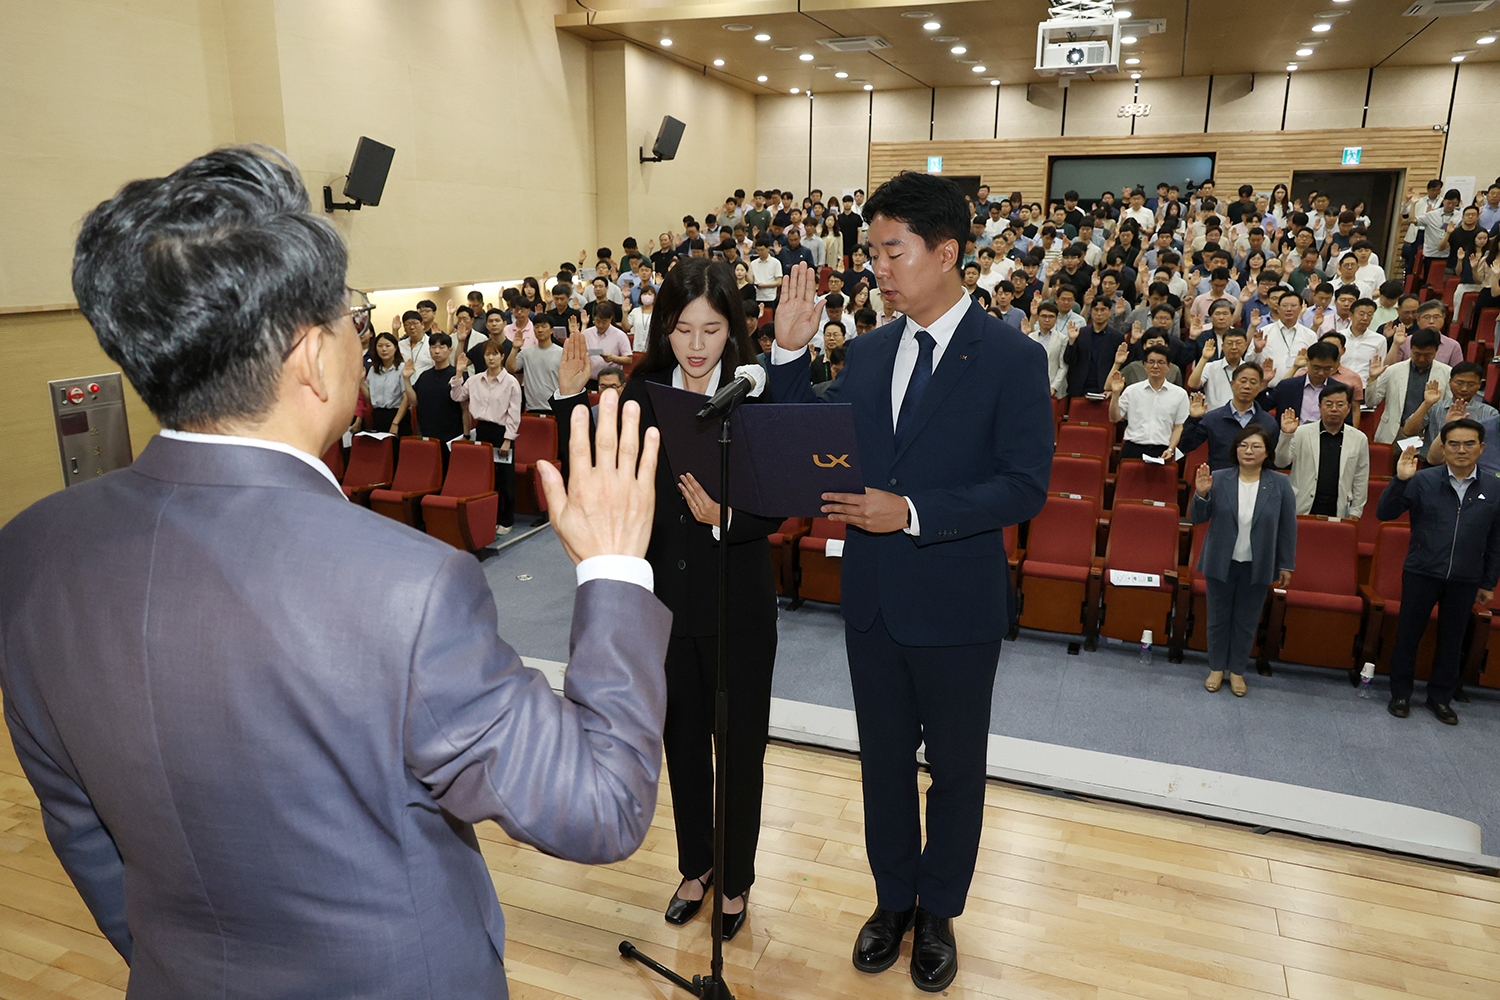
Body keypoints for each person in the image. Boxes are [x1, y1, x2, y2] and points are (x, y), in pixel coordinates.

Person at [1, 146, 671, 997]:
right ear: (312, 357)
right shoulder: (408, 588)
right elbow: (602, 804)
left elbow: (83, 830)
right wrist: (613, 565)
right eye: (351, 312)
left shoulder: (31, 549)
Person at [768, 171, 1052, 992]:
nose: (879, 269)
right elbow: (806, 436)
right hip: (875, 601)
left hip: (957, 604)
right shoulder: (867, 351)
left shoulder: (1012, 357)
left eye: (894, 253)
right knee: (882, 766)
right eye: (874, 253)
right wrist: (788, 352)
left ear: (947, 252)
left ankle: (938, 912)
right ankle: (892, 900)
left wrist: (914, 511)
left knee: (956, 772)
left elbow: (1024, 486)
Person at [553, 257, 782, 944]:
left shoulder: (754, 392)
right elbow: (599, 474)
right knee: (681, 744)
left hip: (738, 606)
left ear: (732, 329)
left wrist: (725, 517)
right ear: (664, 330)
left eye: (712, 329)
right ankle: (696, 867)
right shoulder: (644, 391)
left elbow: (778, 503)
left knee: (739, 750)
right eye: (683, 329)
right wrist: (568, 401)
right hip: (667, 607)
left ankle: (735, 879)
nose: (697, 345)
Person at [1377, 421, 1500, 725]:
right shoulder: (1423, 480)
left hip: (1466, 577)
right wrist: (1400, 481)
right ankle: (1401, 694)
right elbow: (1385, 513)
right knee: (1408, 635)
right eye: (1454, 444)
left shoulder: (1495, 487)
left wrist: (1488, 582)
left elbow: (1496, 540)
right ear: (1442, 448)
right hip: (1422, 570)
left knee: (1452, 641)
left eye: (1469, 444)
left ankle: (1440, 697)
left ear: (1481, 448)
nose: (1461, 450)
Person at [1190, 425, 1297, 697]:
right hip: (1221, 561)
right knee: (1218, 619)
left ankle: (1237, 670)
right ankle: (1216, 668)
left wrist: (1286, 563)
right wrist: (1201, 494)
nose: (1248, 451)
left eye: (1256, 446)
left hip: (1257, 564)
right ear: (1235, 450)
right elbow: (1197, 517)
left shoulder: (1280, 484)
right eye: (1243, 445)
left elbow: (1287, 527)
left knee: (1246, 621)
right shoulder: (1219, 478)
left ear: (1267, 452)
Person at [450, 339, 521, 532]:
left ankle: (506, 519)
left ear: (502, 356)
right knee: (486, 477)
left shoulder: (511, 382)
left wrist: (508, 440)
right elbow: (457, 396)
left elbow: (514, 414)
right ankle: (490, 516)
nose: (491, 358)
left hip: (502, 433)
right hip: (482, 430)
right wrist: (459, 373)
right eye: (487, 354)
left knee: (505, 478)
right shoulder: (475, 380)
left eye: (495, 354)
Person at [1274, 382, 1370, 518]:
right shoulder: (1301, 432)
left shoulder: (1359, 439)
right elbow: (1280, 462)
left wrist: (1356, 511)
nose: (1334, 409)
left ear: (1349, 408)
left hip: (1338, 507)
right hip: (1302, 505)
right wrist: (1286, 435)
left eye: (1340, 405)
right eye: (1328, 404)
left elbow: (1361, 477)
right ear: (1320, 407)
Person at [1179, 363, 1280, 471]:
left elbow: (1271, 460)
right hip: (1220, 478)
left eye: (1253, 382)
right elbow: (1186, 446)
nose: (1247, 386)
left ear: (1260, 387)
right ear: (1232, 384)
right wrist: (1194, 419)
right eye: (1243, 381)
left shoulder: (1268, 422)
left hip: (1255, 478)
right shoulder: (1213, 418)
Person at [1365, 329, 1452, 443]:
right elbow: (1371, 402)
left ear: (1436, 351)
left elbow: (1447, 406)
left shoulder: (1447, 373)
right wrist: (1372, 379)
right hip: (1394, 432)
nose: (1421, 359)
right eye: (1417, 354)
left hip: (1428, 435)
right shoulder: (1393, 370)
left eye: (1427, 355)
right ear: (1411, 349)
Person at [1106, 344, 1188, 461]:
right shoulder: (1132, 390)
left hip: (1163, 450)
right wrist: (1115, 394)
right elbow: (1114, 418)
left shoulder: (1180, 394)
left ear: (1169, 367)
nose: (1155, 366)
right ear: (1145, 366)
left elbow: (1179, 426)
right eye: (1151, 362)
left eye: (1161, 362)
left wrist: (1171, 449)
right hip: (1133, 448)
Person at [1422, 362, 1500, 475]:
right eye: (1460, 383)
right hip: (1436, 468)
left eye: (1471, 384)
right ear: (1450, 382)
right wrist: (1427, 404)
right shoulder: (1435, 407)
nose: (1464, 389)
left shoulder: (1490, 414)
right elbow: (1409, 431)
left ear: (1479, 385)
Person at [1061, 296, 1126, 398]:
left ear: (1110, 312)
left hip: (1104, 388)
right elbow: (1068, 360)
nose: (1099, 313)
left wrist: (1111, 388)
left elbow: (1121, 365)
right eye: (1096, 310)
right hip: (1079, 389)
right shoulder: (1080, 333)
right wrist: (1072, 341)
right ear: (1091, 312)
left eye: (1103, 310)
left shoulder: (1117, 337)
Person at [412, 332, 466, 450]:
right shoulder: (424, 376)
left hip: (452, 435)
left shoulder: (457, 375)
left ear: (450, 350)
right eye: (433, 347)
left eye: (441, 347)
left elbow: (465, 409)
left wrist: (466, 434)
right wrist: (406, 379)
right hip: (427, 434)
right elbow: (414, 402)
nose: (437, 351)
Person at [511, 315, 564, 414]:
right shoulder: (526, 353)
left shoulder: (561, 353)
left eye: (544, 326)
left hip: (555, 407)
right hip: (532, 407)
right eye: (536, 326)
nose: (540, 330)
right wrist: (515, 348)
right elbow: (511, 368)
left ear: (552, 330)